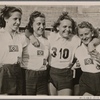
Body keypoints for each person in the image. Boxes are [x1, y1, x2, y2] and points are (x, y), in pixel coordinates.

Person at [0, 6, 28, 95]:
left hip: (17, 71)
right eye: (15, 19)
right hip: (3, 72)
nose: (18, 22)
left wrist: (31, 35)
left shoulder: (21, 37)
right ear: (6, 19)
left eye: (19, 19)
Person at [21, 11, 49, 95]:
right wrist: (30, 36)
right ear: (31, 25)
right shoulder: (24, 38)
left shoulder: (48, 38)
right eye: (38, 24)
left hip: (43, 75)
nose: (42, 27)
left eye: (43, 24)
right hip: (28, 75)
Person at [75, 21, 100, 96]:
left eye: (86, 34)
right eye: (81, 35)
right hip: (86, 80)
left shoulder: (98, 47)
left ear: (92, 33)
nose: (84, 37)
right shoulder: (78, 50)